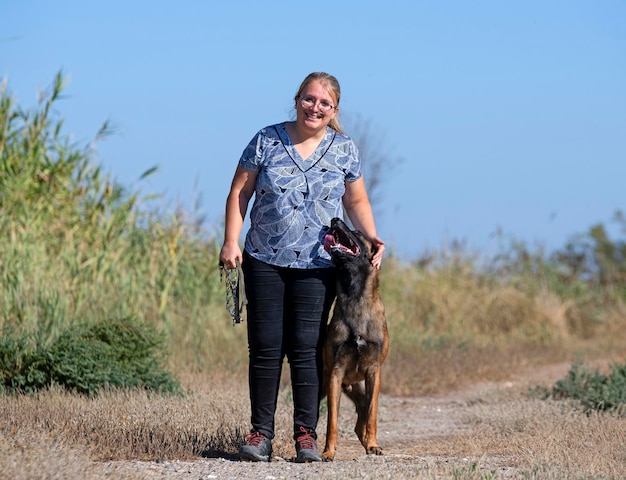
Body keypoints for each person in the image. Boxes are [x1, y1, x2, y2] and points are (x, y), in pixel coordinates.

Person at [219, 72, 385, 463]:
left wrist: (373, 238)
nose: (315, 108)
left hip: (318, 265)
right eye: (310, 100)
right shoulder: (266, 139)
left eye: (324, 104)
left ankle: (306, 437)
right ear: (297, 100)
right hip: (263, 259)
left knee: (308, 351)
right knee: (264, 348)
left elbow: (356, 202)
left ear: (334, 110)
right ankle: (260, 435)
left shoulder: (344, 149)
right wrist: (230, 240)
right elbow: (240, 192)